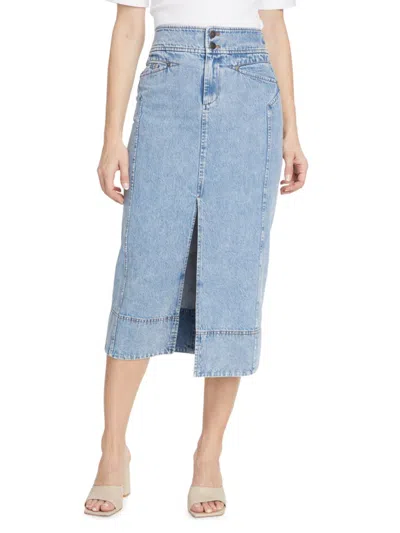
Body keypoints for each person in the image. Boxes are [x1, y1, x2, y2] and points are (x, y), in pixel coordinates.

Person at [85, 0, 308, 518]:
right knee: (144, 269)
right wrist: (111, 136)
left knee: (233, 271)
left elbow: (274, 28)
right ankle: (113, 450)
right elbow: (127, 26)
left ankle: (209, 456)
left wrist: (292, 130)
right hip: (169, 80)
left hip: (251, 91)